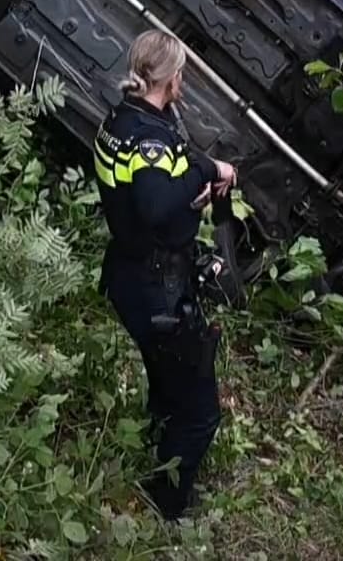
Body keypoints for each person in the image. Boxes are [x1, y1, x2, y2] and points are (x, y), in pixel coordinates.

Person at [93, 30, 238, 520]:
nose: (184, 81)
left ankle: (157, 456)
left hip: (131, 276)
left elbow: (163, 164)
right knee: (199, 414)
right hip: (157, 289)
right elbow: (156, 205)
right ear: (171, 77)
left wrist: (206, 165)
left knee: (166, 385)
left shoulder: (124, 118)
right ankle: (167, 510)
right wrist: (200, 178)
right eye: (181, 74)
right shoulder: (149, 136)